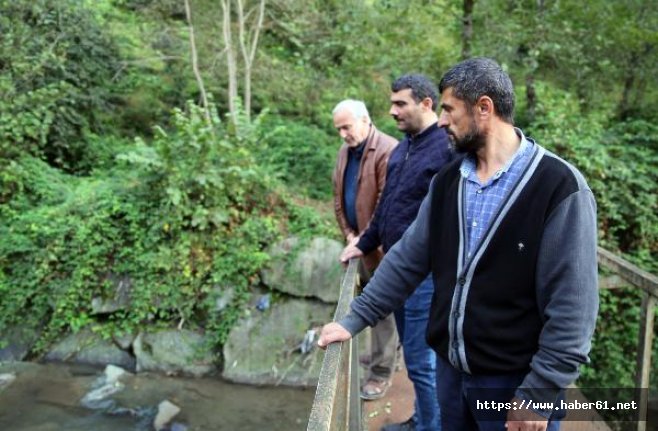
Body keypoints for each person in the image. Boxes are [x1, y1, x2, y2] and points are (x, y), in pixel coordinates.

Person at [319, 57, 599, 431]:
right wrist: (354, 320)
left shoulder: (560, 187)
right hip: (451, 374)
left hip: (513, 383)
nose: (444, 120)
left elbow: (573, 306)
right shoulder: (450, 178)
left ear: (484, 108)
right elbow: (407, 258)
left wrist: (542, 391)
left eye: (449, 109)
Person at [340, 75, 452, 431]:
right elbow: (387, 208)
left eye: (400, 103)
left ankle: (429, 427)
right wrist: (363, 242)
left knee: (421, 362)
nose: (391, 111)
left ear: (426, 103)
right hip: (398, 270)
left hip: (426, 276)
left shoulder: (446, 149)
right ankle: (422, 419)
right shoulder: (403, 148)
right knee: (416, 357)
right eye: (392, 103)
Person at [331, 99, 400, 400]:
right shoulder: (345, 152)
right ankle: (379, 356)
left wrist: (364, 239)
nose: (343, 134)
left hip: (382, 248)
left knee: (383, 309)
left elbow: (387, 204)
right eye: (338, 129)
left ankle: (381, 372)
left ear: (365, 120)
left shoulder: (388, 149)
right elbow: (337, 196)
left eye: (346, 126)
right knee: (367, 304)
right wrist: (349, 234)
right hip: (358, 244)